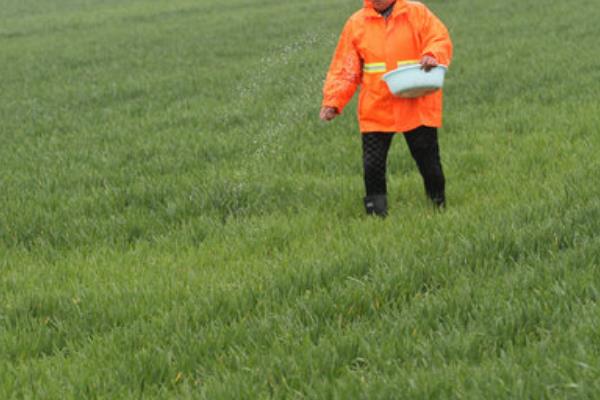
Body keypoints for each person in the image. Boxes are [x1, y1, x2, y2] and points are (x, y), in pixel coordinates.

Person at [320, 0, 453, 217]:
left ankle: (438, 207)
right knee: (372, 165)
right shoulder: (356, 23)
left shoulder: (416, 13)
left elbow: (439, 38)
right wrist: (333, 102)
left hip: (416, 101)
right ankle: (376, 216)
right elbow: (345, 68)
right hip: (377, 106)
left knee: (428, 161)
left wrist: (433, 55)